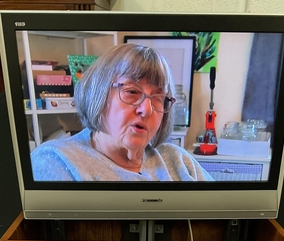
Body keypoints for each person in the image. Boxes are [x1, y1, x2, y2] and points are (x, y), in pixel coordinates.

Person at [30, 43, 214, 181]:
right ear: (98, 94)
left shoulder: (178, 160)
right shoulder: (55, 160)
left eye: (158, 97)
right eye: (132, 92)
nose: (146, 110)